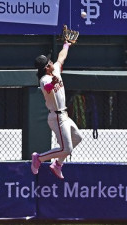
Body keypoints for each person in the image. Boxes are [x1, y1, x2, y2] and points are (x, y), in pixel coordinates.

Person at [31, 41, 82, 179]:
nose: (53, 62)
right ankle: (39, 158)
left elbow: (61, 57)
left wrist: (66, 45)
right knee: (66, 149)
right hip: (56, 117)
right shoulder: (44, 79)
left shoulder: (55, 70)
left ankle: (57, 164)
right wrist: (54, 81)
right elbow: (48, 87)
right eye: (50, 62)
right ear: (47, 67)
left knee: (77, 138)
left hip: (64, 115)